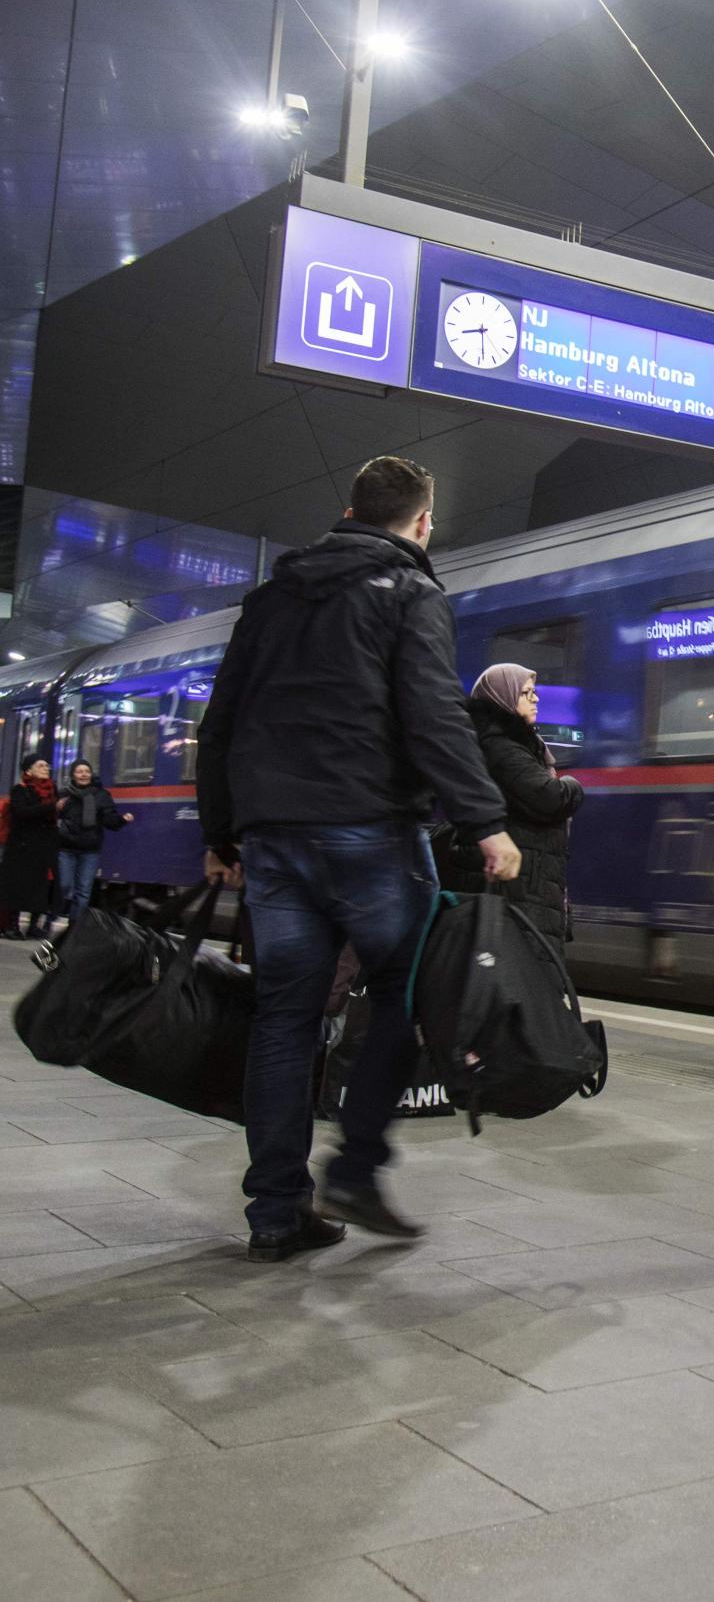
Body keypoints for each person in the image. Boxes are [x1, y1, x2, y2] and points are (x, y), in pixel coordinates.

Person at [198, 455, 519, 1263]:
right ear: (420, 523)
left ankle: (275, 1211)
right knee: (404, 995)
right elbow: (433, 717)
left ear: (348, 511)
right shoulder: (413, 594)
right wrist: (486, 820)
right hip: (369, 830)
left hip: (275, 836)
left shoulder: (269, 601)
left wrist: (220, 831)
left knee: (284, 1018)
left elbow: (222, 722)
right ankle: (356, 1167)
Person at [436, 663, 583, 946]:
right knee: (518, 977)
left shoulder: (514, 745)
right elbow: (550, 797)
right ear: (503, 698)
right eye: (526, 693)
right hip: (516, 893)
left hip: (524, 889)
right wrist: (574, 786)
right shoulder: (500, 746)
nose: (536, 699)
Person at [56, 759, 134, 924]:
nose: (84, 774)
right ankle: (53, 915)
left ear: (91, 774)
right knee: (63, 885)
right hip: (66, 847)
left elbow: (108, 818)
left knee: (83, 891)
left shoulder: (101, 795)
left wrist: (122, 820)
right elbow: (54, 817)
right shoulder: (64, 794)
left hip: (89, 848)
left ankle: (74, 925)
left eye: (87, 771)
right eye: (79, 771)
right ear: (73, 775)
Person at [1, 755, 59, 938]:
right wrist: (52, 807)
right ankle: (12, 926)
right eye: (40, 766)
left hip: (43, 847)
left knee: (40, 887)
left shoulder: (51, 791)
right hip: (21, 847)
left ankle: (34, 925)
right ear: (28, 771)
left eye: (46, 766)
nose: (45, 768)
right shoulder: (20, 790)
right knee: (18, 887)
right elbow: (22, 813)